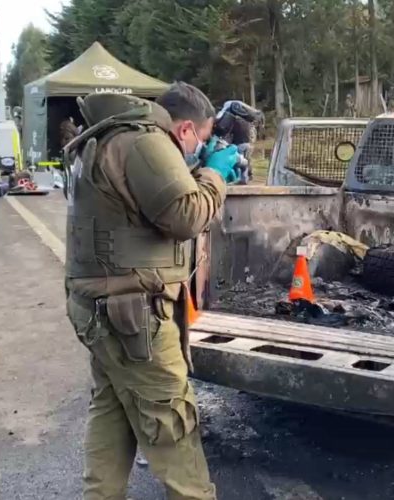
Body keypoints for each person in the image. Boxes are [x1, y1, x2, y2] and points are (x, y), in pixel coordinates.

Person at [64, 83, 241, 500]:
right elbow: (185, 216)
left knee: (113, 414)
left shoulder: (113, 136)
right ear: (184, 130)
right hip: (133, 315)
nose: (202, 145)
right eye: (202, 136)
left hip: (104, 308)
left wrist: (201, 171)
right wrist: (214, 173)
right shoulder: (146, 143)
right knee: (171, 423)